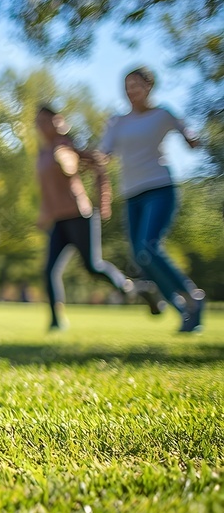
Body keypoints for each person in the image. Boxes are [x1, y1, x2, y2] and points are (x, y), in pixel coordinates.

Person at [97, 67, 205, 332]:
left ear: (149, 86)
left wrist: (192, 138)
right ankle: (182, 308)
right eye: (127, 86)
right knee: (140, 256)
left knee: (149, 246)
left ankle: (192, 296)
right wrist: (80, 156)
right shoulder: (117, 122)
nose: (130, 91)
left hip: (159, 187)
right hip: (131, 194)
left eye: (135, 85)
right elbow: (103, 154)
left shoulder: (162, 114)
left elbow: (187, 132)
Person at [35, 105, 158, 331]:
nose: (41, 126)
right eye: (38, 122)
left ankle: (138, 289)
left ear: (56, 122)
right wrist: (44, 213)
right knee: (49, 270)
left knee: (93, 266)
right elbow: (46, 189)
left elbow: (69, 162)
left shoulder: (63, 146)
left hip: (78, 216)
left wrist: (67, 162)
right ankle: (56, 321)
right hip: (58, 220)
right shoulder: (42, 152)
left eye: (45, 120)